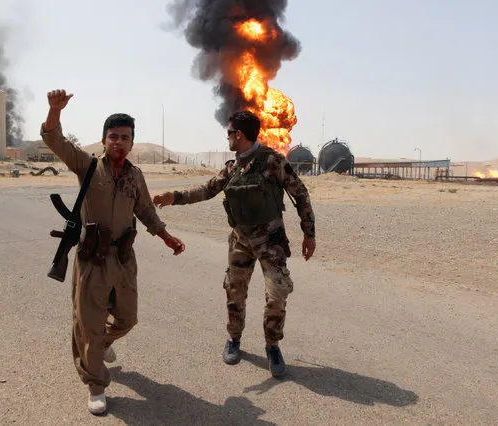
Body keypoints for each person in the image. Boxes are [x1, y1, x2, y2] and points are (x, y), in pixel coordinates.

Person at [40, 89, 186, 415]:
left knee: (127, 319)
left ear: (132, 143)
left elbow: (146, 210)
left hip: (123, 259)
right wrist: (54, 112)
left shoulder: (135, 176)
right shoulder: (87, 166)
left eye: (125, 137)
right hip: (92, 259)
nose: (119, 142)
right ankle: (96, 383)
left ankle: (102, 344)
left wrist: (166, 236)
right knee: (88, 324)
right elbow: (54, 140)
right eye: (113, 136)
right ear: (104, 140)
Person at [153, 110, 316, 378]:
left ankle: (272, 345)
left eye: (229, 133)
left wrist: (309, 234)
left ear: (238, 134)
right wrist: (175, 197)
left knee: (277, 295)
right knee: (234, 292)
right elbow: (207, 190)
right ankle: (234, 339)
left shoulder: (273, 161)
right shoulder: (232, 168)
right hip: (240, 241)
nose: (227, 138)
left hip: (270, 242)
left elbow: (301, 194)